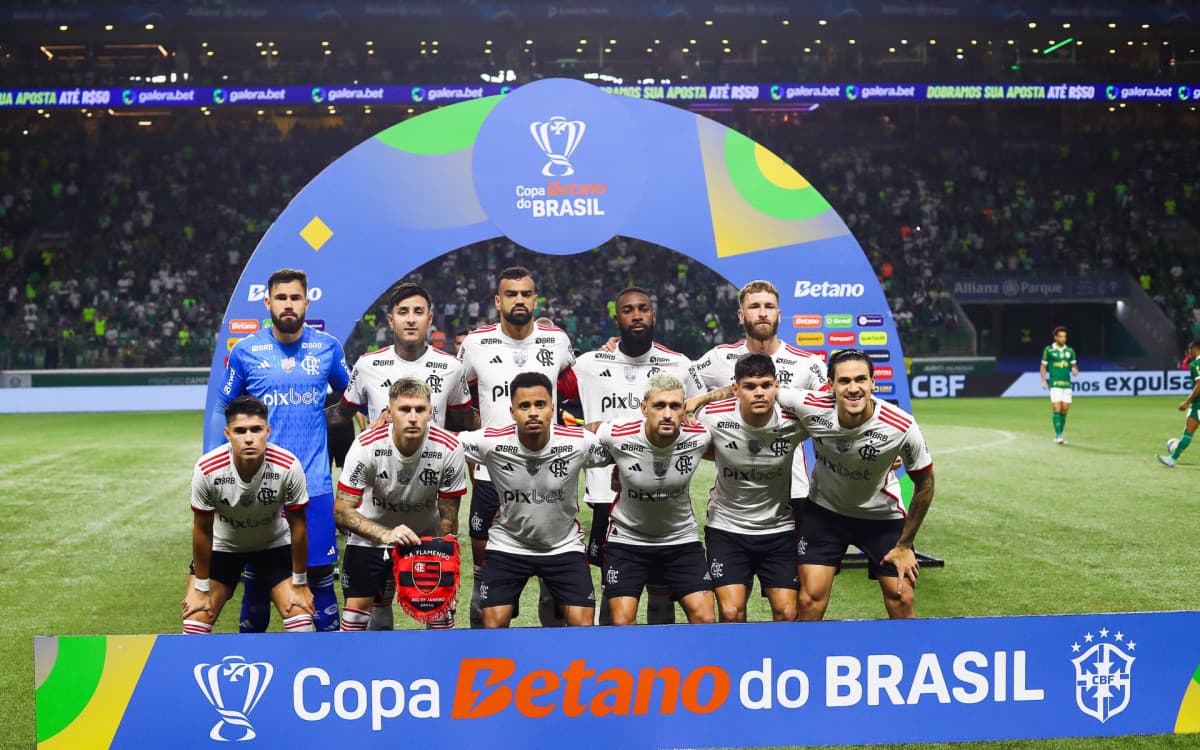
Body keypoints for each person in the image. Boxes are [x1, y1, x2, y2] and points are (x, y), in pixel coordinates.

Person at [210, 268, 351, 632]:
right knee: (257, 583)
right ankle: (253, 660)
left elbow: (351, 396)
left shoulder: (327, 347)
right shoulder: (245, 351)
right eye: (281, 298)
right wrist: (216, 466)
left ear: (307, 302)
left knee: (320, 581)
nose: (289, 305)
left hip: (314, 485)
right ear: (267, 302)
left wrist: (338, 418)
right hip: (261, 490)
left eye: (295, 297)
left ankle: (330, 659)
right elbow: (223, 407)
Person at [456, 267, 577, 627]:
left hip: (550, 473)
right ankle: (487, 651)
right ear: (498, 301)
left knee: (553, 580)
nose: (519, 300)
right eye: (511, 294)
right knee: (485, 577)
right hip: (492, 477)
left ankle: (553, 651)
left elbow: (571, 386)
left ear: (535, 299)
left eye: (526, 294)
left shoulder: (557, 341)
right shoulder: (475, 343)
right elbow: (457, 398)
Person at [775, 349, 935, 620]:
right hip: (825, 512)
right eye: (844, 381)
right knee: (810, 600)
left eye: (861, 379)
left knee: (902, 597)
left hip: (881, 516)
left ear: (873, 382)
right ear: (831, 385)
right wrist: (702, 400)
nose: (853, 388)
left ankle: (909, 648)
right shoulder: (809, 404)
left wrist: (905, 544)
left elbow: (926, 483)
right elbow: (763, 390)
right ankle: (804, 649)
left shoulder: (901, 426)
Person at [573, 287, 700, 624]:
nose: (637, 315)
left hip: (661, 490)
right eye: (628, 310)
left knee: (662, 589)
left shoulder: (679, 365)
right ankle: (610, 649)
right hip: (606, 495)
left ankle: (660, 651)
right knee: (612, 588)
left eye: (643, 308)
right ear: (616, 319)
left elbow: (695, 415)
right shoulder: (588, 364)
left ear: (654, 315)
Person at [456, 372, 609, 628]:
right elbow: (444, 443)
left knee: (583, 628)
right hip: (508, 545)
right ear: (512, 412)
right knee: (492, 627)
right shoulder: (491, 441)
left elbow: (620, 449)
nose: (533, 413)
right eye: (524, 406)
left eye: (540, 404)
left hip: (563, 546)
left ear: (552, 409)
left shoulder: (579, 442)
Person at [690, 280, 828, 562]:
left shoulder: (807, 363)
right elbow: (681, 384)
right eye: (754, 307)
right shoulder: (720, 357)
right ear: (741, 316)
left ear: (779, 314)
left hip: (794, 489)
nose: (762, 312)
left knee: (796, 580)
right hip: (736, 494)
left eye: (769, 306)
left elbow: (833, 411)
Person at [334, 379, 468, 630]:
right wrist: (387, 535)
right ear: (389, 412)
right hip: (370, 537)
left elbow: (448, 516)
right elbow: (342, 511)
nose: (413, 417)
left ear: (431, 412)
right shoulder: (367, 445)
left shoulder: (449, 448)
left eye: (420, 409)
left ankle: (442, 657)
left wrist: (448, 567)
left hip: (425, 539)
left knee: (441, 615)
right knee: (355, 618)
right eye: (405, 409)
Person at [183, 396, 315, 634]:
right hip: (223, 546)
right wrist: (201, 587)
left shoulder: (288, 466)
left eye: (256, 429)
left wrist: (300, 582)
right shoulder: (207, 469)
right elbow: (202, 530)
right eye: (240, 431)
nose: (249, 438)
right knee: (195, 621)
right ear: (227, 433)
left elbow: (299, 527)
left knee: (301, 619)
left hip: (273, 544)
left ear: (268, 431)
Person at [591, 373, 715, 625]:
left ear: (684, 409)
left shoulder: (699, 435)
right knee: (622, 621)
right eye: (659, 406)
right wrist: (615, 461)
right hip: (627, 540)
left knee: (705, 618)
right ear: (644, 408)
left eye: (675, 406)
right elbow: (584, 434)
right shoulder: (618, 433)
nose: (667, 414)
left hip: (680, 539)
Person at [695, 354, 807, 623]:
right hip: (726, 528)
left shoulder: (795, 419)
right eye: (750, 386)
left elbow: (840, 430)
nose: (759, 393)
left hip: (778, 528)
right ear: (735, 389)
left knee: (787, 613)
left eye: (766, 385)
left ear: (776, 386)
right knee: (731, 612)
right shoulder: (712, 416)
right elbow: (673, 435)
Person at [341, 283, 474, 428]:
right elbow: (341, 414)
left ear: (429, 319)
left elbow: (466, 421)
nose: (411, 320)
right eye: (403, 312)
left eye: (418, 312)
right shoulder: (366, 365)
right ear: (391, 321)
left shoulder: (452, 367)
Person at [1158, 339, 1200, 467]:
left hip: (1198, 404)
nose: (1188, 353)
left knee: (1189, 431)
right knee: (1189, 430)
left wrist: (1187, 402)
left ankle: (1172, 459)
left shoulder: (1196, 364)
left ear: (1194, 349)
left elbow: (1199, 385)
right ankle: (1172, 459)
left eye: (1189, 350)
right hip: (1197, 405)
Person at [1040, 326, 1078, 445]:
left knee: (1064, 410)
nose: (1063, 339)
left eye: (1064, 337)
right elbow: (1043, 366)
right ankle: (1058, 436)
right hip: (1055, 383)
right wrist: (1044, 381)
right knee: (1057, 408)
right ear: (1055, 337)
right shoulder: (1049, 350)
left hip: (1066, 384)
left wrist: (1075, 370)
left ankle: (1060, 434)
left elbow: (1074, 365)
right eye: (1060, 336)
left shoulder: (1070, 351)